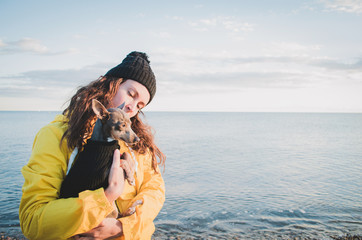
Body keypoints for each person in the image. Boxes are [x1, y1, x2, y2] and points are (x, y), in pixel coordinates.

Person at [19, 51, 166, 240]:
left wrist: (122, 227)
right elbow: (32, 220)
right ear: (108, 83)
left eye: (140, 105)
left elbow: (155, 190)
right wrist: (106, 197)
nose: (132, 107)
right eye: (130, 94)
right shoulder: (57, 135)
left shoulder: (137, 146)